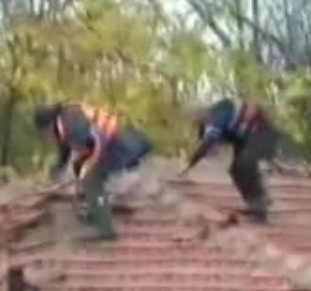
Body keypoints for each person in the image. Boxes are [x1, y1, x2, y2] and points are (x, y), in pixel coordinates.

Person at [33, 101, 152, 241]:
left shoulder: (71, 125)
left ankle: (105, 229)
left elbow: (93, 143)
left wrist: (82, 164)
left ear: (48, 126)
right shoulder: (65, 120)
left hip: (119, 144)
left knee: (91, 180)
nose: (46, 137)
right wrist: (58, 168)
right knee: (88, 176)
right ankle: (97, 210)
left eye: (43, 133)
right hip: (118, 140)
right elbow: (65, 149)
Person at [180, 98, 278, 223]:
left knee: (244, 164)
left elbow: (208, 142)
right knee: (236, 169)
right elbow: (205, 141)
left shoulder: (217, 115)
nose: (195, 124)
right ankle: (254, 204)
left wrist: (189, 164)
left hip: (262, 135)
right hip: (246, 139)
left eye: (196, 120)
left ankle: (260, 206)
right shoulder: (214, 118)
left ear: (202, 115)